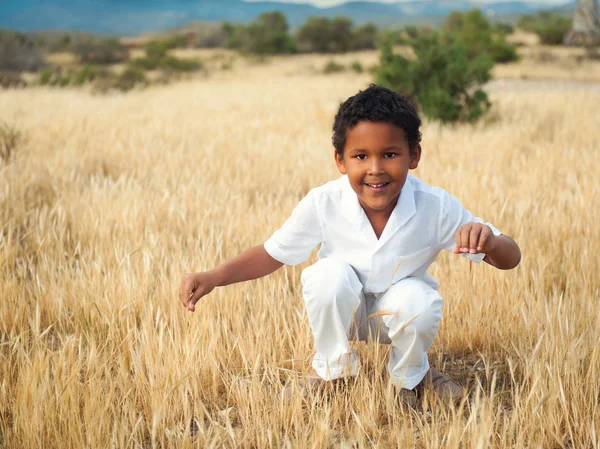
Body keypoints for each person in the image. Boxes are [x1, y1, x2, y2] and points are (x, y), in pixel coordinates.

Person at [178, 84, 521, 404]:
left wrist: (489, 241)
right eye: (360, 157)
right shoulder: (323, 202)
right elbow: (272, 254)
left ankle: (413, 374)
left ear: (413, 156)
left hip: (402, 313)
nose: (375, 169)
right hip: (344, 310)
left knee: (420, 299)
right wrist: (213, 277)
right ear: (340, 160)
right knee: (327, 275)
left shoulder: (436, 205)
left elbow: (510, 258)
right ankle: (330, 371)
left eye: (389, 154)